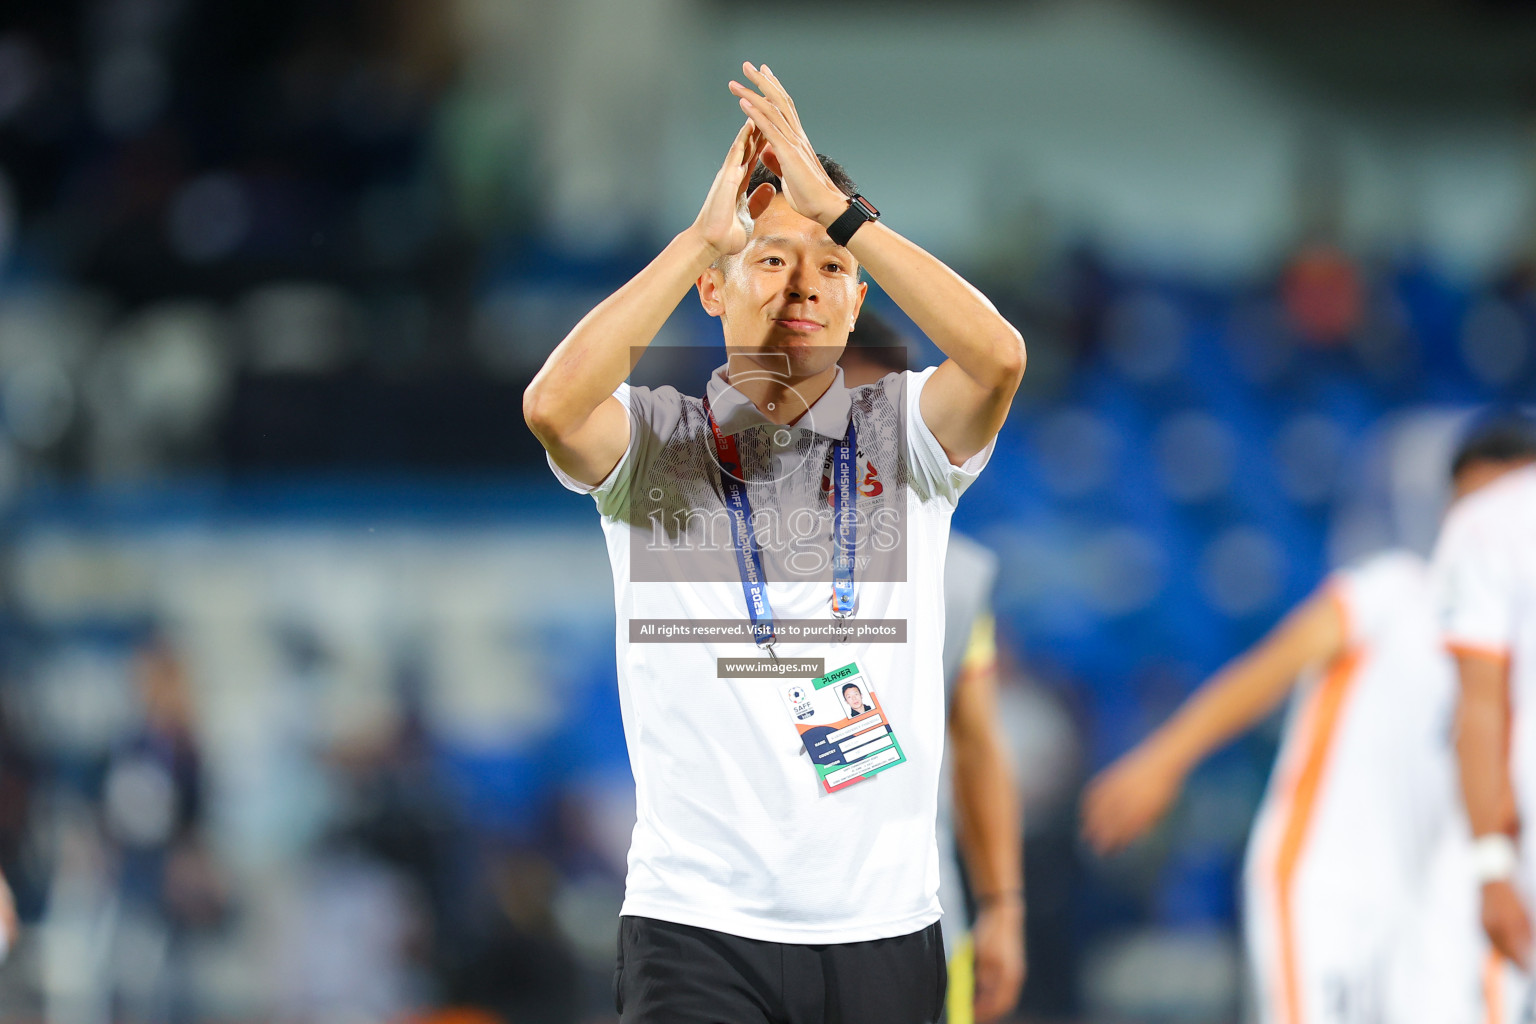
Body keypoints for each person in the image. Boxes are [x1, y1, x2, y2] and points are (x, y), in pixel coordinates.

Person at [522, 63, 1025, 1024]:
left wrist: (844, 215)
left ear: (854, 298)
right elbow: (551, 406)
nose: (803, 282)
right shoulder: (660, 444)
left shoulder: (905, 435)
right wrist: (700, 237)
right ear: (712, 291)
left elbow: (1000, 357)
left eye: (830, 265)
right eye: (768, 258)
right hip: (695, 927)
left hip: (883, 926)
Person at [1080, 418, 1536, 1024]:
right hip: (1329, 883)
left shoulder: (1512, 646)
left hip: (1436, 901)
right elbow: (1267, 671)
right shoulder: (1391, 591)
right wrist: (1163, 759)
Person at [841, 314, 1025, 1024]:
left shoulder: (949, 572)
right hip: (758, 922)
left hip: (912, 920)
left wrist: (1003, 904)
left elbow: (976, 743)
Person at [1433, 412, 1536, 1022]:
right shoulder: (1493, 524)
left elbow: (1479, 704)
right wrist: (1492, 862)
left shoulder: (1487, 523)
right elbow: (1479, 705)